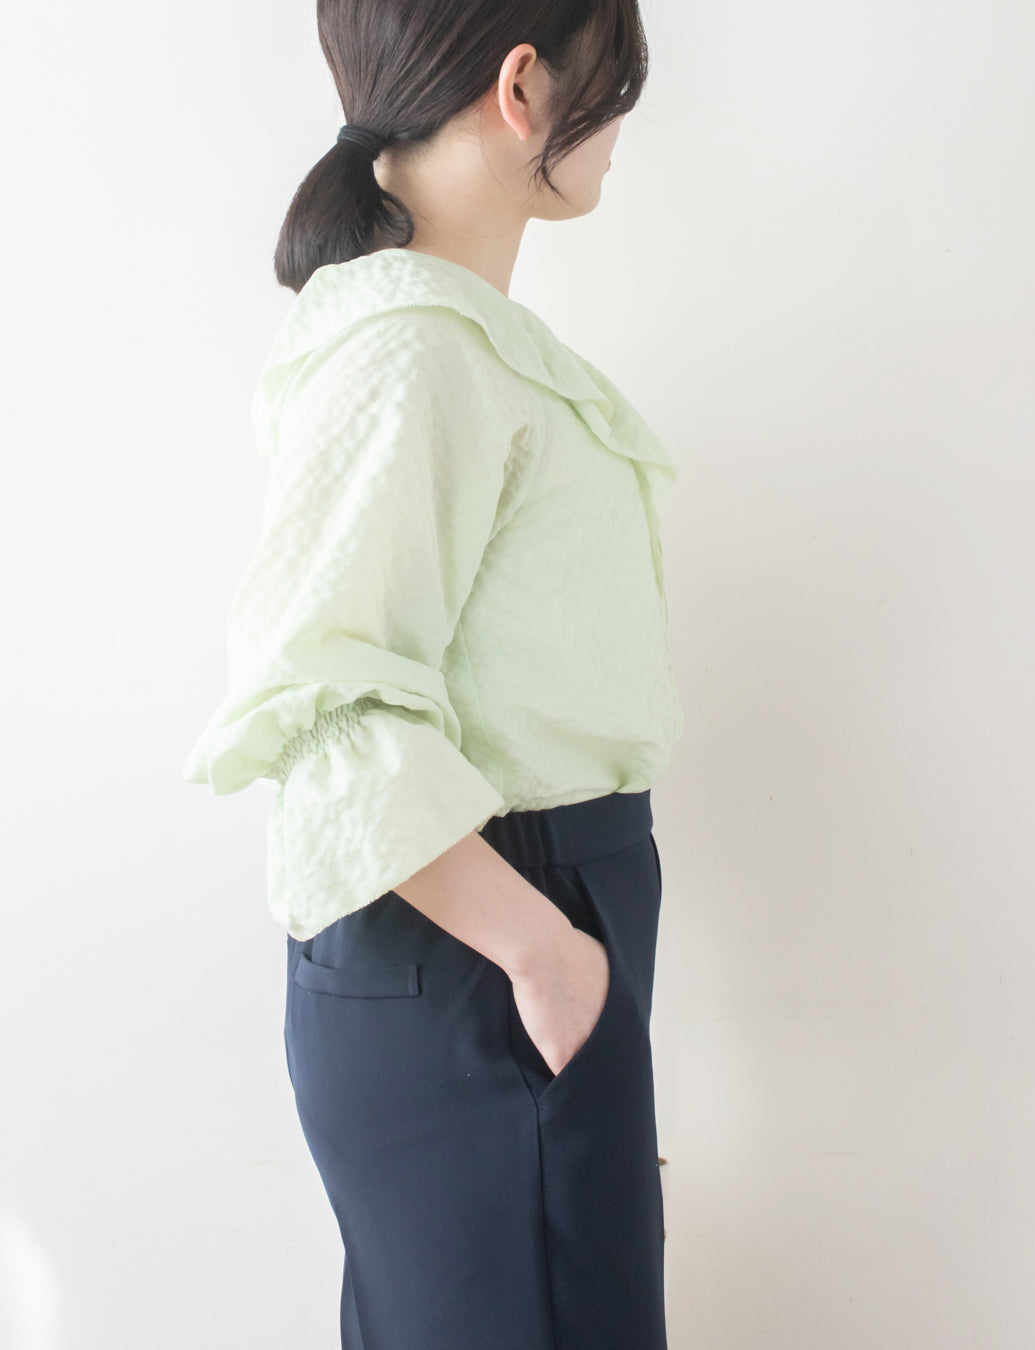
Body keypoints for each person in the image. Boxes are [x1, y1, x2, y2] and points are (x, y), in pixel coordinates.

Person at [182, 2, 683, 1347]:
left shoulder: (450, 341)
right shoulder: (413, 350)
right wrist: (546, 953)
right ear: (524, 88)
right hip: (487, 931)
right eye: (616, 80)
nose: (623, 123)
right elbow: (325, 694)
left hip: (495, 928)